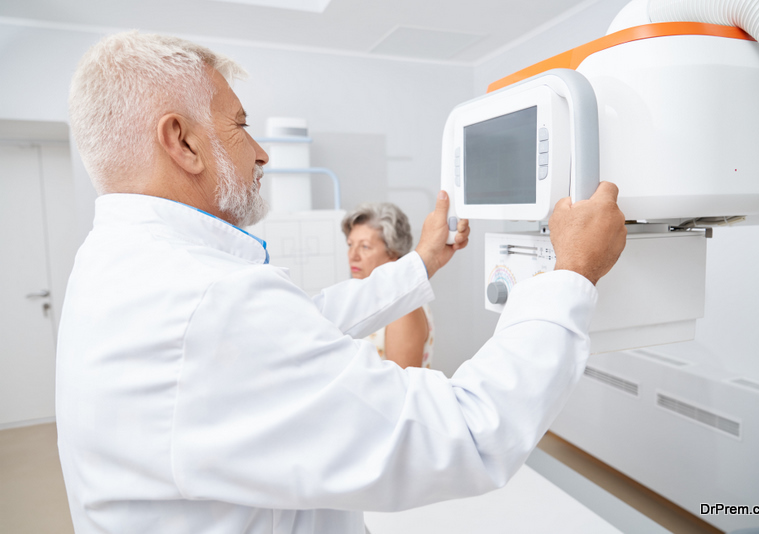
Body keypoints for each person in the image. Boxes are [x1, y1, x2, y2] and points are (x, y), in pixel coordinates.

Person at [57, 30, 627, 534]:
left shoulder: (117, 264)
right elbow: (465, 436)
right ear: (181, 141)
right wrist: (571, 272)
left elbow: (304, 322)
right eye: (240, 126)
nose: (260, 154)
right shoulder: (204, 300)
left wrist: (421, 262)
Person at [342, 203, 434, 369]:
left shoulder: (403, 308)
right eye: (350, 245)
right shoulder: (368, 297)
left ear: (393, 252)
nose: (353, 256)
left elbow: (401, 389)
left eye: (365, 247)